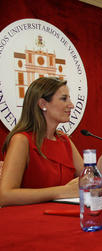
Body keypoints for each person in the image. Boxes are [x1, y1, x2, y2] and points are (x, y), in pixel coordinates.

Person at [0, 77, 84, 206]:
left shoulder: (64, 140)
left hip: (64, 214)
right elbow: (5, 196)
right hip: (29, 219)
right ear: (43, 104)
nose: (71, 105)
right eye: (63, 99)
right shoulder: (21, 140)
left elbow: (89, 177)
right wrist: (63, 191)